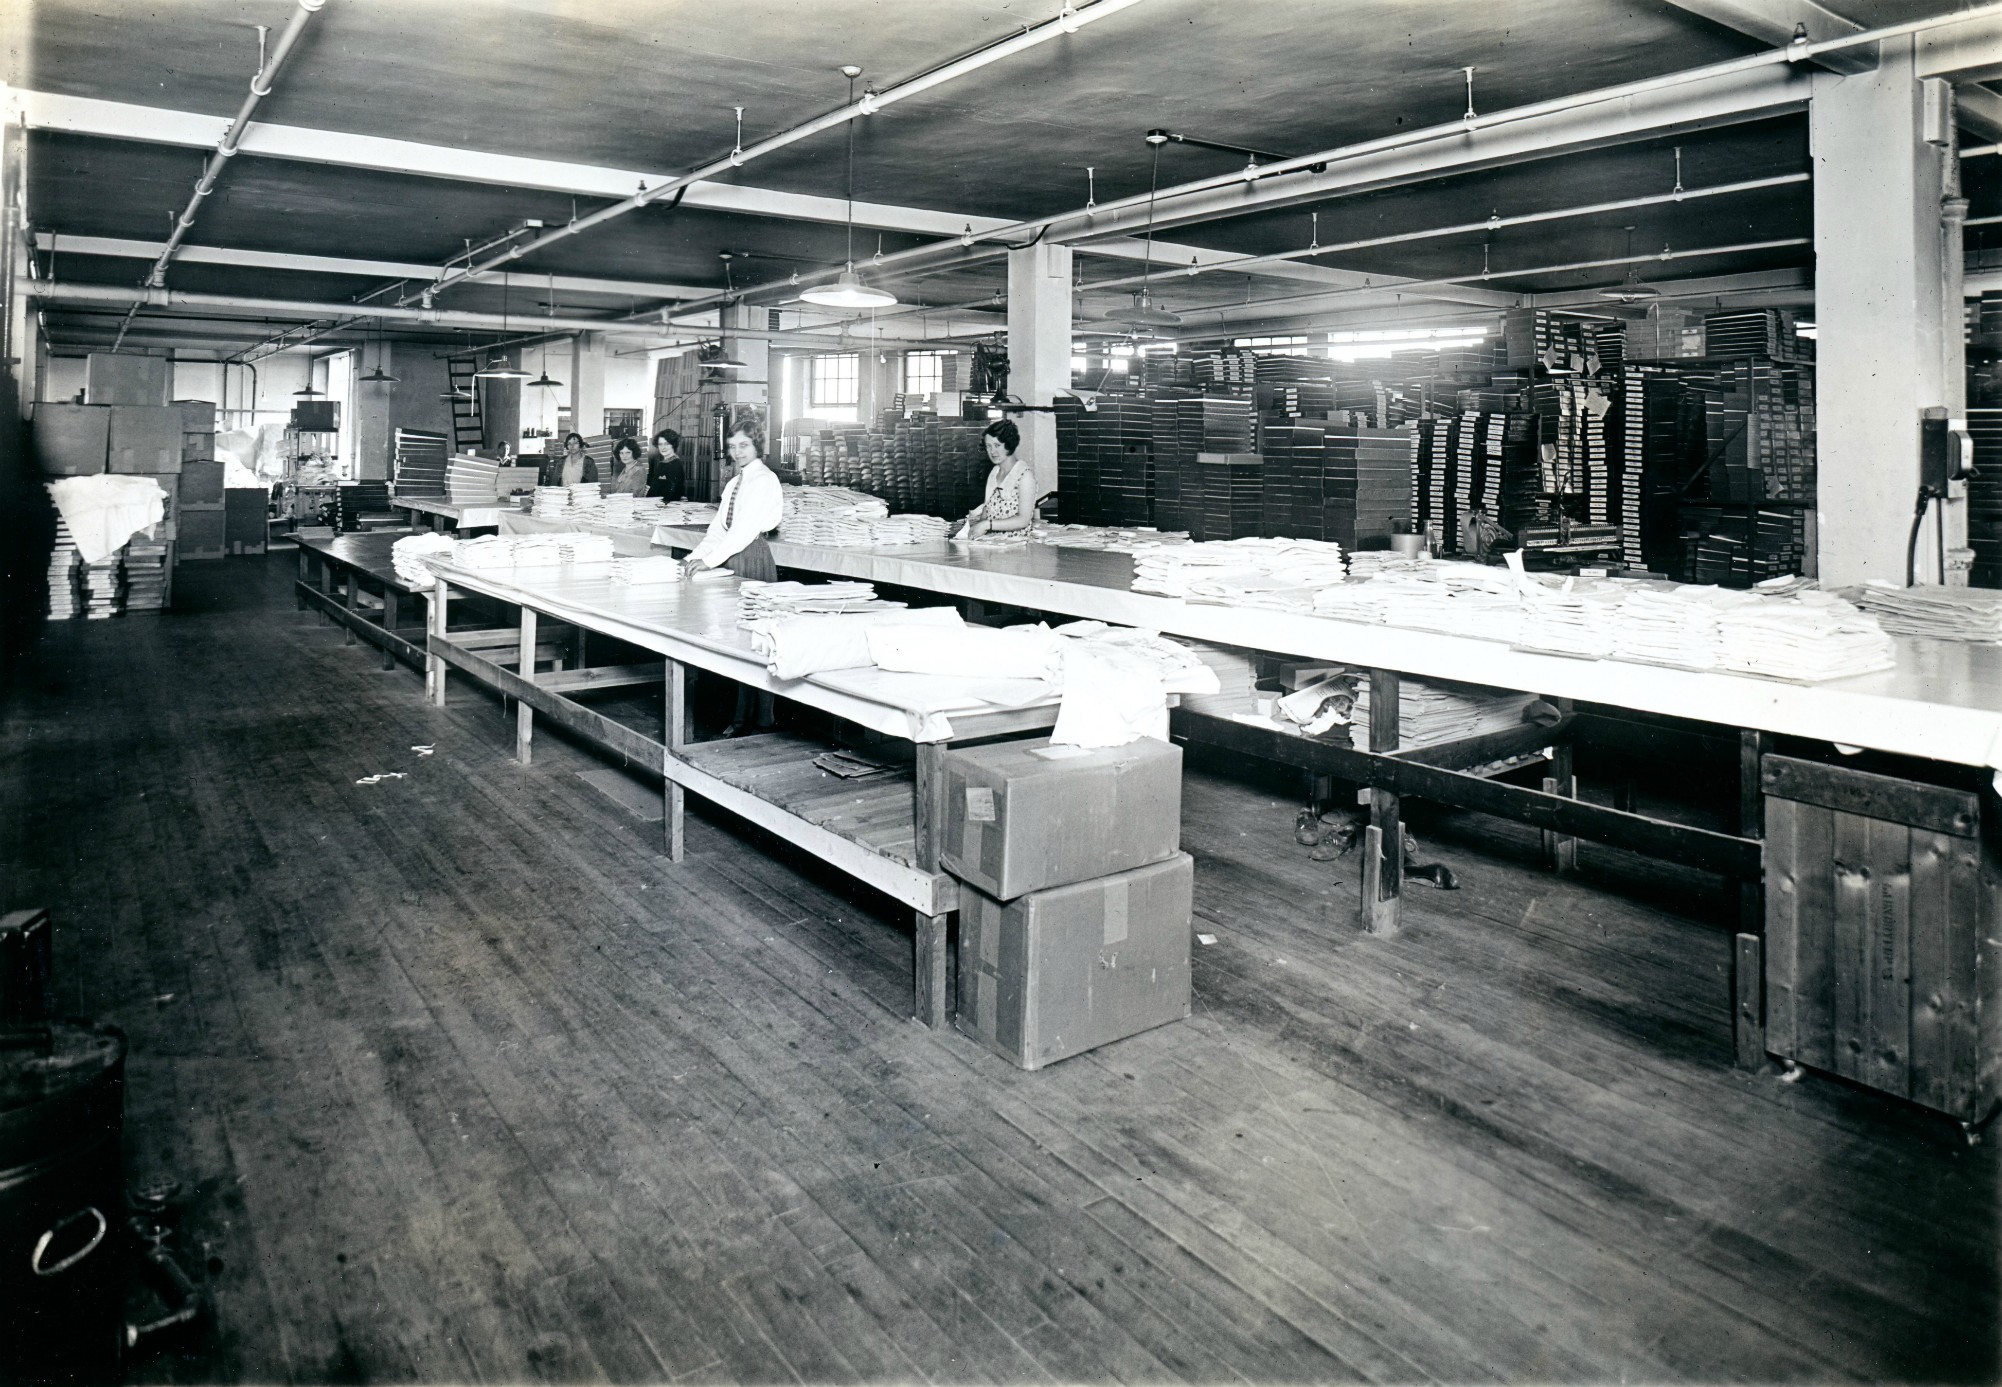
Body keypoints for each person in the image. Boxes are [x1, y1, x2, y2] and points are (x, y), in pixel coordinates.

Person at [684, 425, 782, 734]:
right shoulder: (735, 483)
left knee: (753, 638)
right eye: (732, 446)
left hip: (750, 558)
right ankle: (737, 715)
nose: (736, 451)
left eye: (744, 444)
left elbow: (743, 531)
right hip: (730, 556)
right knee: (730, 635)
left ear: (758, 446)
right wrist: (692, 559)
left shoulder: (764, 480)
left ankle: (758, 717)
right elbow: (718, 529)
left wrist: (709, 561)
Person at [953, 419, 1038, 539]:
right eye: (988, 446)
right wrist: (975, 526)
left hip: (1015, 547)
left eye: (997, 445)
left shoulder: (1025, 476)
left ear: (1009, 444)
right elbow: (987, 510)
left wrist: (987, 525)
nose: (992, 451)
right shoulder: (994, 473)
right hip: (991, 544)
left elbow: (1023, 520)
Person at [645, 428, 686, 502]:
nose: (663, 447)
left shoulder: (675, 465)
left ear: (673, 445)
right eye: (660, 444)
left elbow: (671, 493)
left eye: (666, 444)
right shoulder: (663, 463)